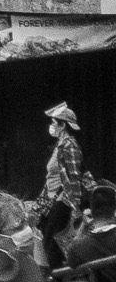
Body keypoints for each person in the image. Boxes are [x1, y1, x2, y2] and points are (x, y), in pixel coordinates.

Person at [37, 101, 90, 271]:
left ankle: (60, 281)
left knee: (53, 241)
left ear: (63, 125)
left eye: (54, 122)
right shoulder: (59, 146)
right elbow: (52, 177)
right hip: (52, 199)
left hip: (63, 200)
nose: (51, 126)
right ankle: (60, 281)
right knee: (50, 240)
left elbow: (75, 176)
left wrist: (74, 204)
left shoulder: (70, 146)